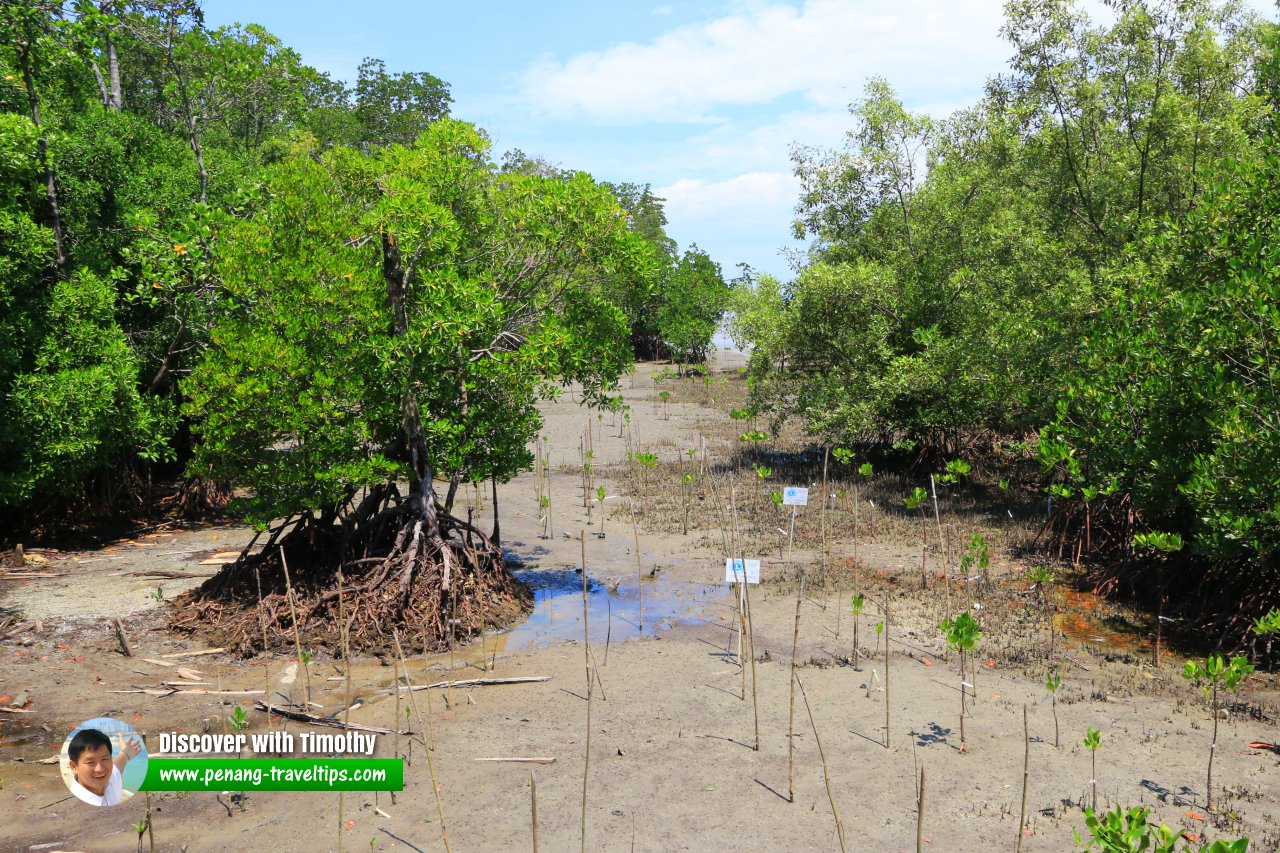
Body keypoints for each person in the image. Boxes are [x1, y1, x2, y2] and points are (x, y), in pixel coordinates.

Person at [66, 728, 142, 806]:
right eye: (90, 762)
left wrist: (125, 753)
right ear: (74, 767)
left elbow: (117, 766)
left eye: (104, 759)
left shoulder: (110, 780)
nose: (100, 769)